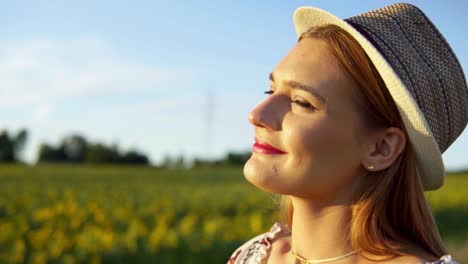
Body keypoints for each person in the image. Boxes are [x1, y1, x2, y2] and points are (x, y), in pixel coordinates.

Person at [228, 3, 466, 264]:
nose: (256, 115)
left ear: (381, 147)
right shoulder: (251, 256)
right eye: (270, 91)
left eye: (301, 102)